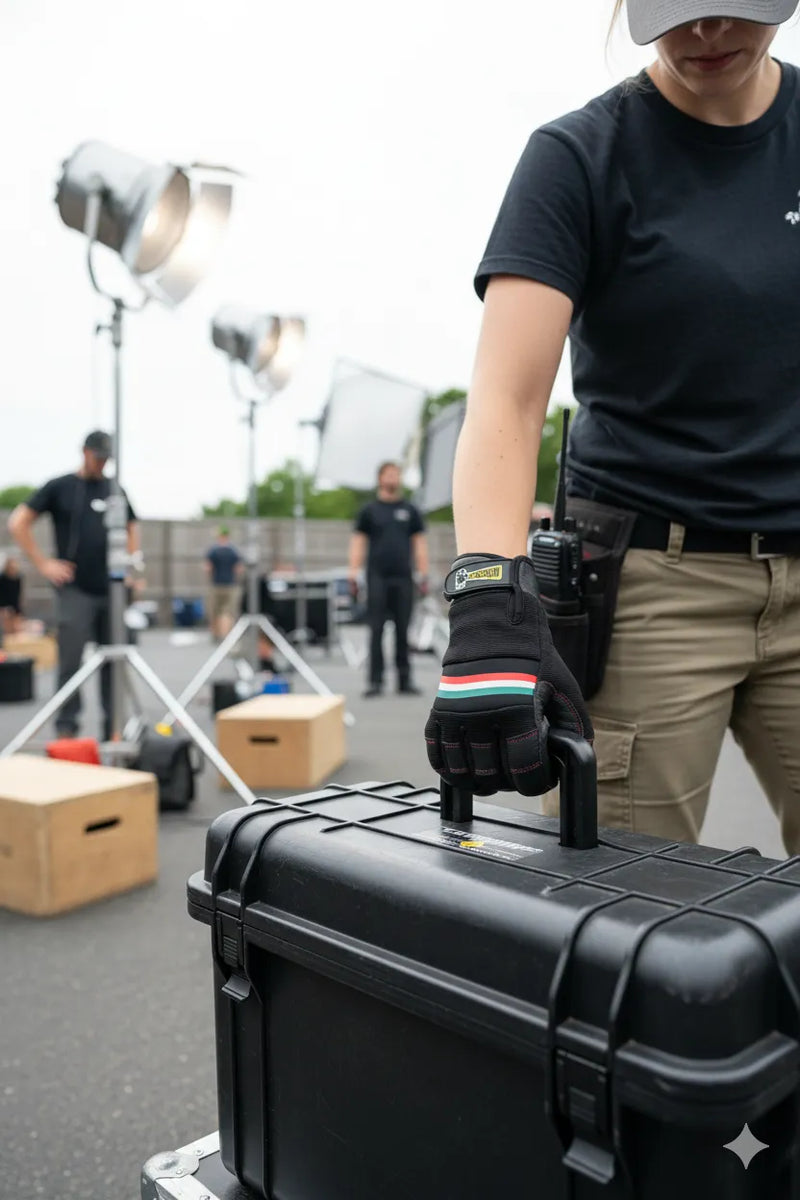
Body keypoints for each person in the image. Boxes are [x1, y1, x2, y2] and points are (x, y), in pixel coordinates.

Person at [425, 0, 800, 854]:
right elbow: (508, 401)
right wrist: (489, 597)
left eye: (732, 6)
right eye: (679, 9)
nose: (707, 32)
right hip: (653, 588)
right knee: (631, 913)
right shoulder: (579, 157)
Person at [8, 430, 139, 741]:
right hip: (75, 589)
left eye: (106, 459)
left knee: (114, 660)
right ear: (84, 452)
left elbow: (133, 525)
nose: (102, 464)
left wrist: (131, 564)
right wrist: (43, 563)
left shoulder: (114, 489)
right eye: (98, 458)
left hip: (112, 589)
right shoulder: (61, 487)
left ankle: (114, 729)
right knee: (70, 663)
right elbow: (18, 522)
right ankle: (67, 730)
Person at [349, 462, 429, 697]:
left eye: (397, 474)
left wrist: (423, 572)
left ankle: (404, 680)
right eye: (389, 474)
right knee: (376, 630)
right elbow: (358, 542)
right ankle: (375, 681)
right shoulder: (369, 511)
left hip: (403, 577)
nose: (393, 478)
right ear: (380, 478)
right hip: (377, 577)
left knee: (403, 630)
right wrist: (353, 571)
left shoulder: (411, 511)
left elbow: (419, 544)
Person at [205, 527, 243, 641]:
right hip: (230, 585)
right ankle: (227, 635)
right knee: (228, 612)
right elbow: (239, 569)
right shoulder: (233, 551)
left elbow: (208, 567)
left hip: (216, 585)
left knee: (215, 611)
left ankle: (216, 634)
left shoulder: (213, 551)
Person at [0, 554, 24, 635]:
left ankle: (15, 637)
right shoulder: (2, 578)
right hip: (4, 602)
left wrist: (17, 606)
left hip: (14, 602)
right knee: (7, 621)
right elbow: (2, 593)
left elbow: (18, 593)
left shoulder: (18, 578)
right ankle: (8, 635)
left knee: (17, 622)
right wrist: (4, 607)